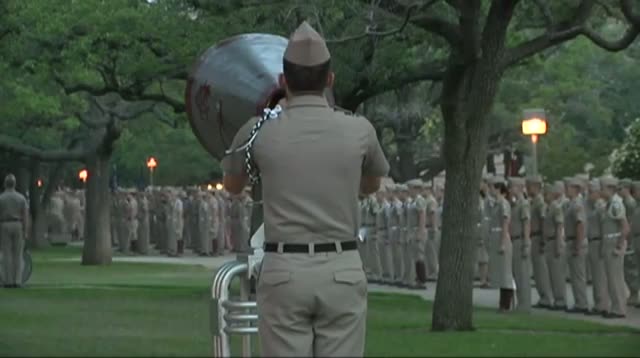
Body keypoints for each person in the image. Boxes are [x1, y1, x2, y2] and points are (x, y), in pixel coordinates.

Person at [222, 21, 389, 357]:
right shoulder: (359, 130)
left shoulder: (258, 132)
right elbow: (371, 183)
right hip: (341, 268)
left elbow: (232, 185)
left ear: (283, 81)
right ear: (330, 80)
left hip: (285, 270)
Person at [600, 176, 630, 318]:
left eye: (603, 188)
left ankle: (619, 309)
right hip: (608, 241)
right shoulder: (610, 203)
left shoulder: (616, 204)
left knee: (615, 277)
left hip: (614, 242)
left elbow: (625, 227)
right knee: (611, 278)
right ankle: (616, 306)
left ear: (610, 188)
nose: (600, 191)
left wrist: (619, 246)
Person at [0, 174, 29, 288]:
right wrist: (25, 230)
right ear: (15, 184)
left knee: (6, 254)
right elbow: (25, 215)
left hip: (4, 224)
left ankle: (8, 281)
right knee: (18, 254)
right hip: (18, 224)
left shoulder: (1, 198)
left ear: (5, 184)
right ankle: (17, 281)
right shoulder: (21, 198)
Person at [508, 177, 532, 312]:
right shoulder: (515, 204)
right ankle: (521, 302)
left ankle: (524, 304)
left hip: (520, 240)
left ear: (519, 187)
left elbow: (526, 223)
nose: (510, 189)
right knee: (517, 274)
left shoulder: (523, 204)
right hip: (514, 240)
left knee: (522, 274)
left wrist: (526, 243)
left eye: (512, 187)